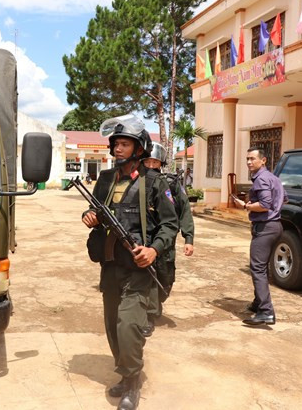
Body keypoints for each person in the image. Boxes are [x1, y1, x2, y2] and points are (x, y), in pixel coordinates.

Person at [82, 115, 178, 410]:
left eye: (125, 144)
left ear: (140, 149)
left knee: (128, 326)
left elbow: (169, 225)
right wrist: (90, 217)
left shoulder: (154, 182)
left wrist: (154, 250)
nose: (118, 149)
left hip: (138, 268)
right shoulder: (107, 180)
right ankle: (124, 374)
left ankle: (133, 381)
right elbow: (93, 210)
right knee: (112, 325)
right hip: (110, 265)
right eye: (116, 144)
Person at [143, 142, 194, 330]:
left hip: (167, 238)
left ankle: (157, 303)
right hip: (147, 239)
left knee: (166, 277)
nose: (150, 166)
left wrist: (188, 238)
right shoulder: (139, 184)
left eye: (154, 162)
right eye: (146, 162)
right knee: (150, 275)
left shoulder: (171, 184)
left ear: (161, 163)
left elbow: (185, 211)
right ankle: (150, 313)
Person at [232, 147, 285, 326]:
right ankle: (257, 303)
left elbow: (264, 204)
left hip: (265, 227)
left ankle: (266, 311)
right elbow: (283, 199)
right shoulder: (274, 178)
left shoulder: (261, 179)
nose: (248, 162)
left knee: (257, 268)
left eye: (252, 159)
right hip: (276, 226)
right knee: (263, 267)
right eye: (247, 159)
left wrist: (245, 205)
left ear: (263, 160)